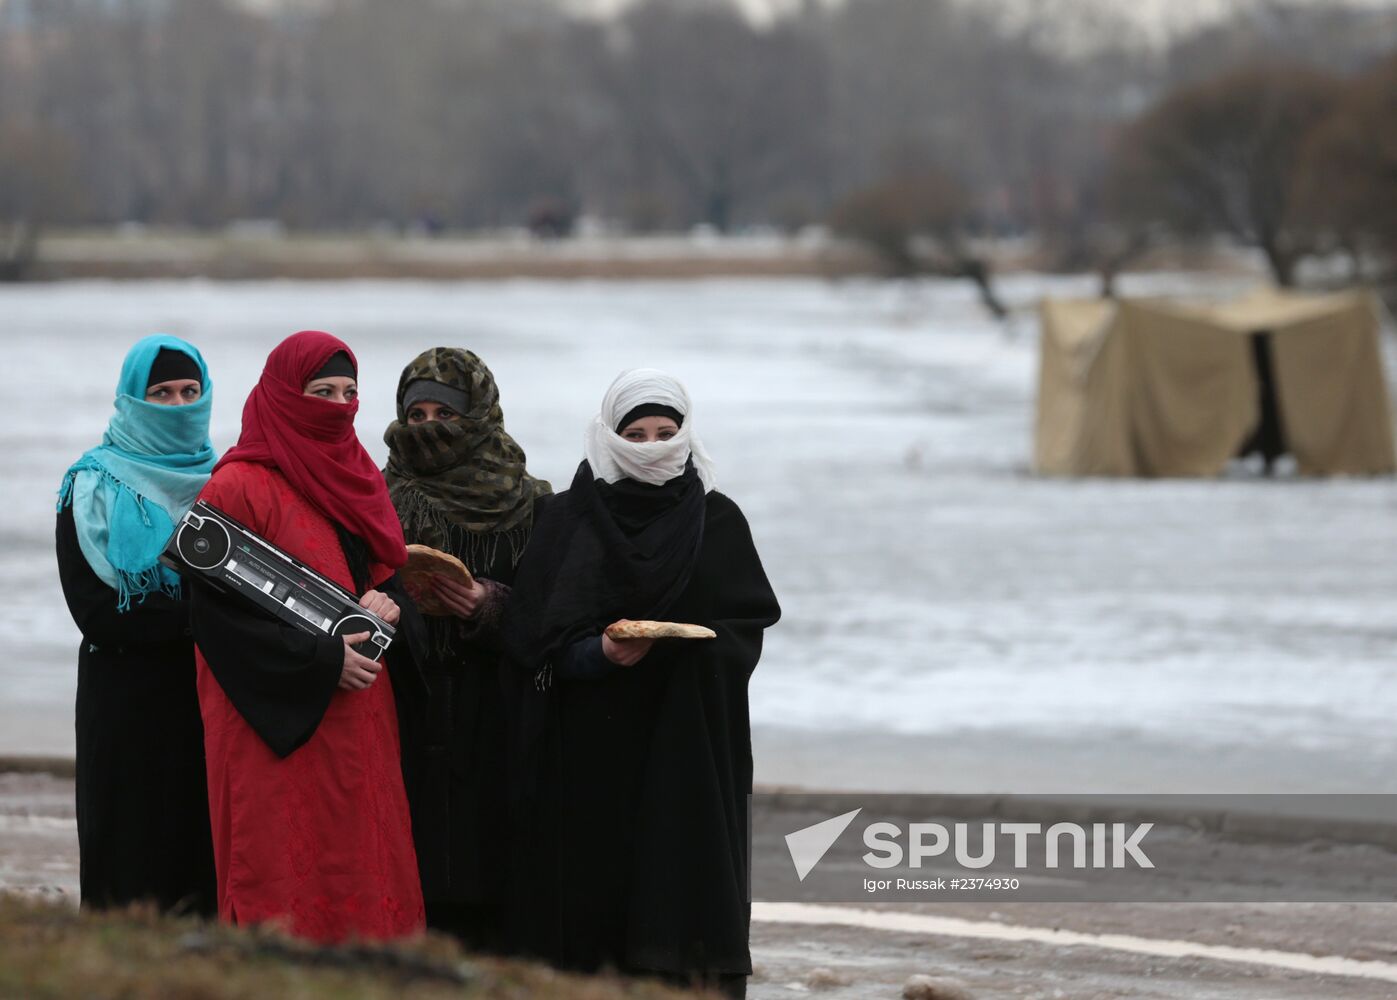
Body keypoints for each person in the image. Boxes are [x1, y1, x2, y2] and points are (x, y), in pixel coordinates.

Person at [503, 369, 780, 999]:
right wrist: (597, 652)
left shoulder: (717, 520)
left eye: (665, 432)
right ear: (609, 436)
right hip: (586, 754)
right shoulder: (568, 520)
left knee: (679, 900)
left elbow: (746, 624)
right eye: (635, 433)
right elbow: (533, 639)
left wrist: (692, 645)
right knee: (590, 919)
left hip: (686, 745)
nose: (652, 446)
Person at [188, 330, 424, 943]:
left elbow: (384, 582)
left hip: (359, 714)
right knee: (278, 873)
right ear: (284, 396)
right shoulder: (236, 486)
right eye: (322, 392)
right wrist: (323, 661)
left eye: (349, 393)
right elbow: (217, 621)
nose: (339, 406)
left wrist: (389, 609)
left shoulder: (357, 473)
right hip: (273, 721)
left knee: (362, 868)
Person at [383, 347, 553, 949]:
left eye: (445, 414)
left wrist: (490, 606)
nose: (429, 428)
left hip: (496, 719)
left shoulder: (531, 503)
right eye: (418, 414)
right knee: (410, 884)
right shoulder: (374, 498)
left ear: (477, 412)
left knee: (497, 893)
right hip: (406, 713)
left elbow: (556, 614)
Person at [55, 334, 218, 915]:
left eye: (189, 392)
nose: (177, 405)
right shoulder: (92, 484)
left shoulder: (229, 483)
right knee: (127, 869)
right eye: (161, 393)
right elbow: (98, 613)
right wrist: (207, 618)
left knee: (205, 869)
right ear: (132, 399)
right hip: (125, 710)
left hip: (209, 706)